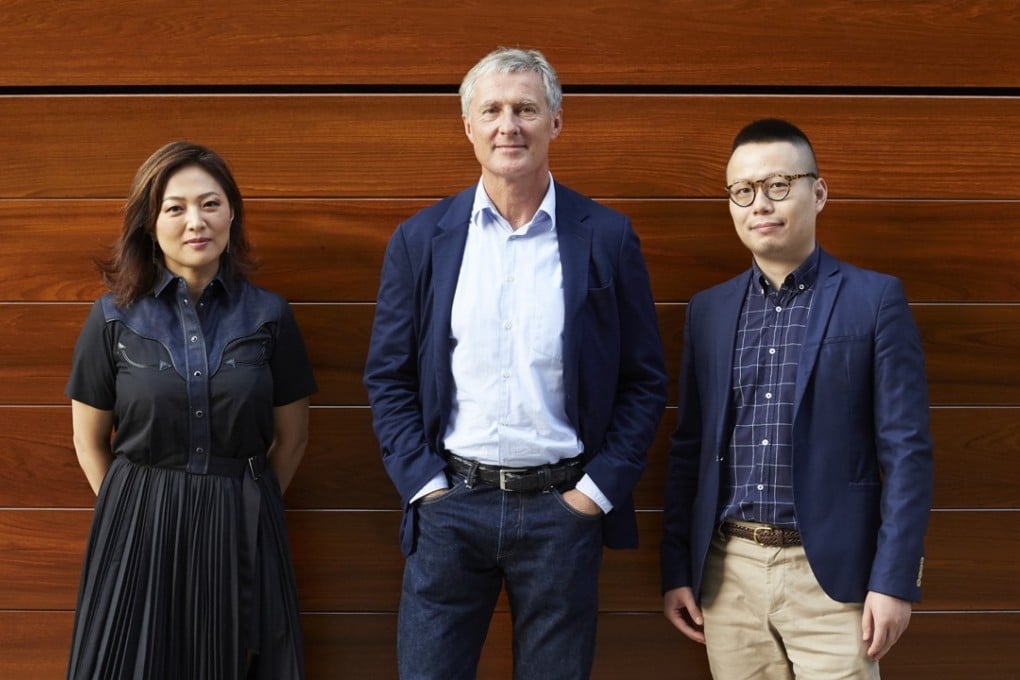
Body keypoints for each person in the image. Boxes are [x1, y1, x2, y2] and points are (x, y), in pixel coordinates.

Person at [364, 47, 668, 679]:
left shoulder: (606, 236)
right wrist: (425, 487)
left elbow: (644, 381)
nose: (510, 125)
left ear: (555, 122)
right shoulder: (421, 240)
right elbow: (388, 376)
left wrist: (596, 492)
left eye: (527, 108)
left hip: (564, 509)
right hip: (451, 507)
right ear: (468, 126)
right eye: (493, 110)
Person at [660, 118, 934, 678]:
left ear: (819, 192)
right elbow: (688, 448)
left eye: (779, 185)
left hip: (834, 581)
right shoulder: (708, 310)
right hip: (726, 573)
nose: (760, 203)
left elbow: (907, 452)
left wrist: (894, 579)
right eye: (744, 191)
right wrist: (676, 569)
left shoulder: (874, 299)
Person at [65, 141, 316, 679]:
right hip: (138, 523)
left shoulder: (270, 315)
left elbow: (292, 438)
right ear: (150, 223)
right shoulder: (111, 318)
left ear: (231, 215)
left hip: (241, 518)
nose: (195, 222)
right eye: (175, 208)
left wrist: (246, 501)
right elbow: (88, 440)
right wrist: (132, 511)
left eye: (210, 204)